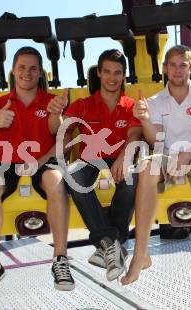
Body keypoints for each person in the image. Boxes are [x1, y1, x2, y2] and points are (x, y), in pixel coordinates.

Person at [0, 46, 74, 299]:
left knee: (56, 180)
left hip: (42, 161)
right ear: (13, 71)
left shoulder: (51, 102)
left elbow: (65, 140)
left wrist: (42, 157)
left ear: (40, 73)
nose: (27, 72)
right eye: (22, 67)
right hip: (7, 163)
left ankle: (60, 259)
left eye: (33, 68)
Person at [121, 45, 191, 285]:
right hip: (165, 153)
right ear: (164, 68)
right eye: (172, 65)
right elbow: (157, 141)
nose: (177, 70)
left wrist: (185, 156)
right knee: (146, 167)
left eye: (183, 65)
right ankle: (141, 253)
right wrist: (144, 119)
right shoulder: (155, 101)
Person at [63, 49, 142, 281]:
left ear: (124, 75)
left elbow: (135, 135)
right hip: (90, 161)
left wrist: (124, 158)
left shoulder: (130, 105)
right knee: (73, 175)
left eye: (117, 72)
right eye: (106, 71)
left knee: (131, 177)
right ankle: (113, 243)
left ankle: (106, 246)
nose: (112, 77)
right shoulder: (83, 105)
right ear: (98, 73)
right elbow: (64, 130)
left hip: (119, 159)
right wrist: (65, 142)